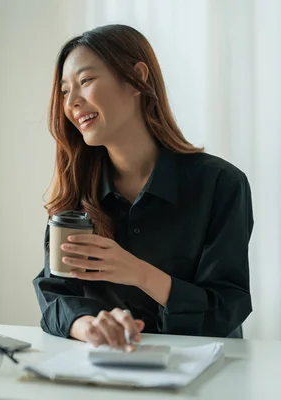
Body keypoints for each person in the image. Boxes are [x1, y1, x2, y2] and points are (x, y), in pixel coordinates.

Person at [33, 24, 253, 348]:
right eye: (65, 91)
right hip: (100, 375)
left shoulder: (221, 184)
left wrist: (139, 273)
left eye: (85, 81)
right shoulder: (76, 193)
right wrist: (88, 326)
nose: (72, 103)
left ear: (137, 79)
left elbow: (227, 308)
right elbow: (54, 296)